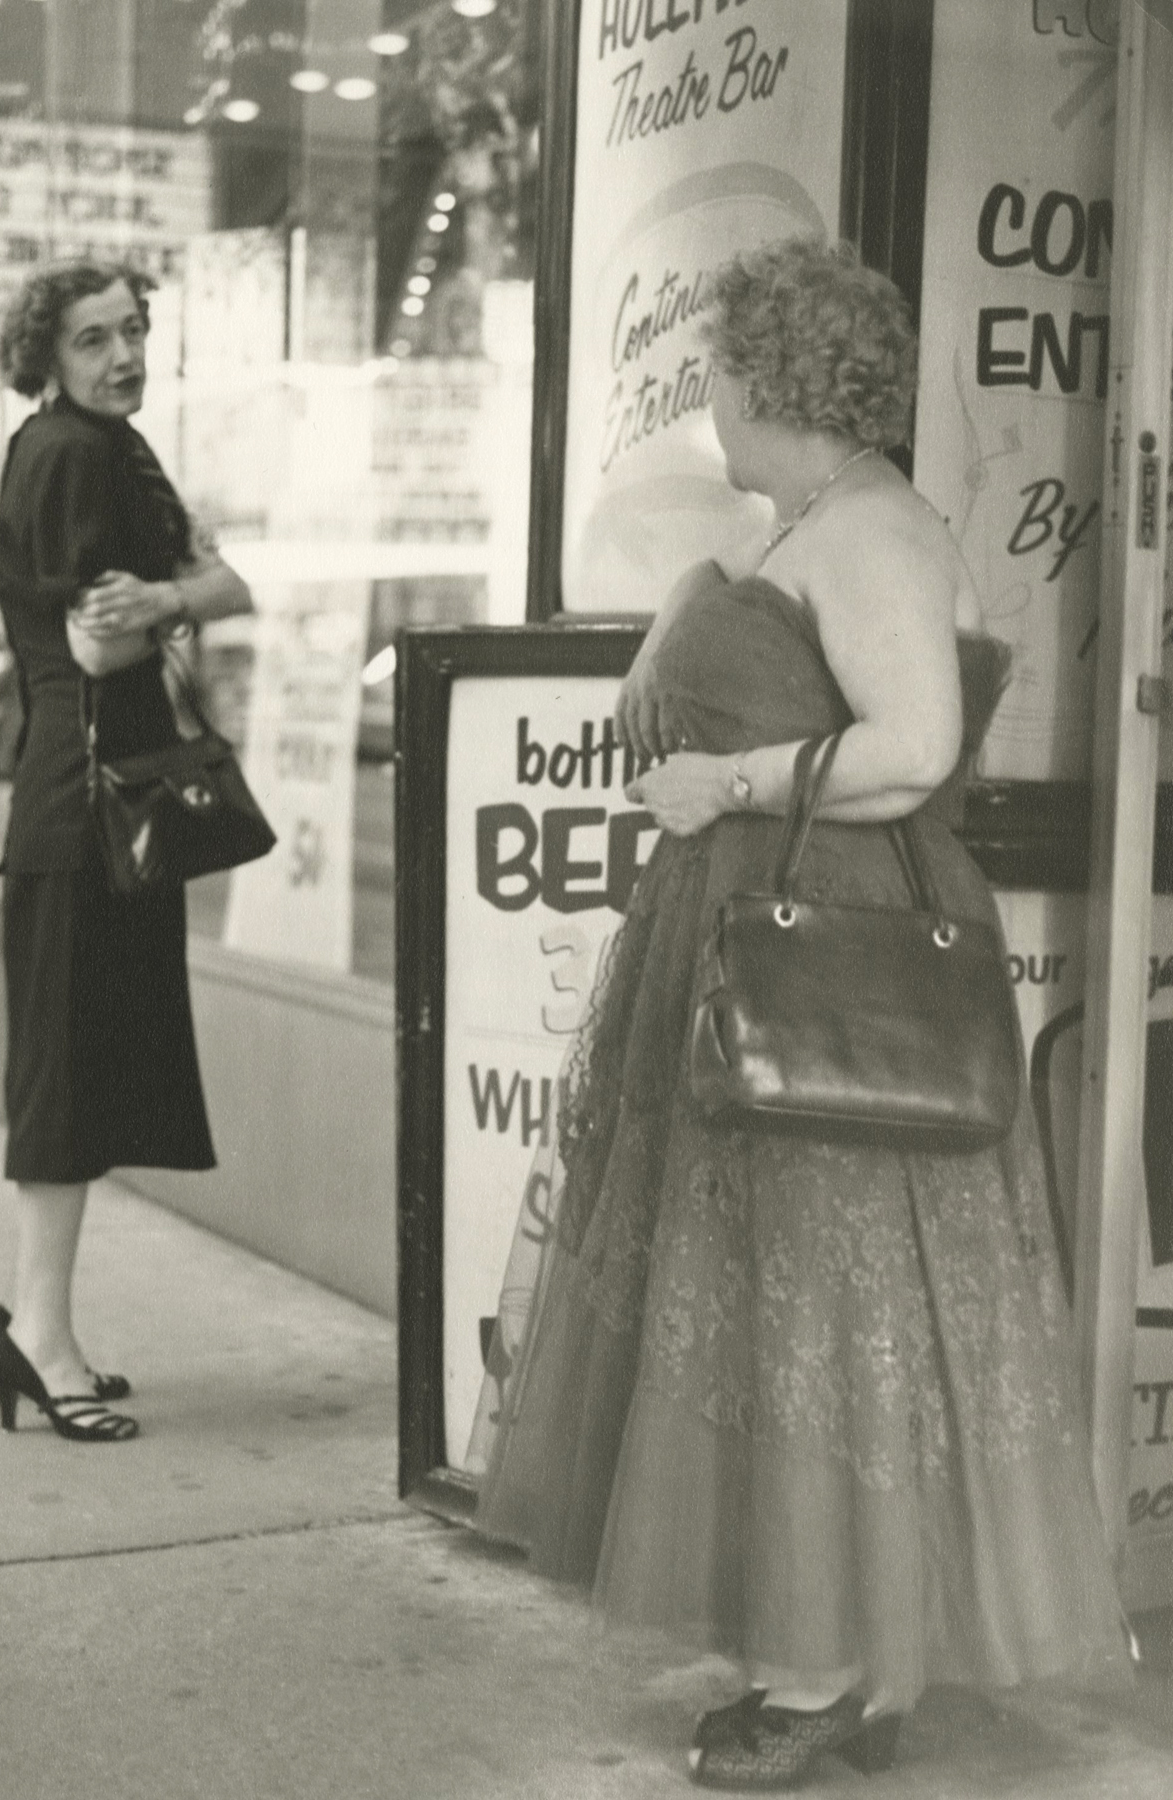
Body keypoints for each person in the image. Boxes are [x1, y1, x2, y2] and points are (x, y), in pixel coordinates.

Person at [471, 237, 1131, 1788]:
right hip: (791, 931)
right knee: (804, 1297)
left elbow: (912, 742)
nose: (704, 388)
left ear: (765, 380)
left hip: (824, 945)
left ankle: (834, 1669)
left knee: (826, 1302)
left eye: (715, 365)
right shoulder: (828, 519)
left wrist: (725, 782)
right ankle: (839, 1655)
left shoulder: (872, 533)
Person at [0, 260, 253, 1443]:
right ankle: (38, 1337)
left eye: (133, 331)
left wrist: (171, 596)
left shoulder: (120, 450)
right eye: (93, 339)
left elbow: (221, 585)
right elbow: (101, 645)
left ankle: (43, 1331)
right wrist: (173, 597)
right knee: (64, 1085)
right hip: (79, 812)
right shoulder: (72, 454)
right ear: (48, 356)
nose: (122, 356)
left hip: (107, 810)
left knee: (82, 1074)